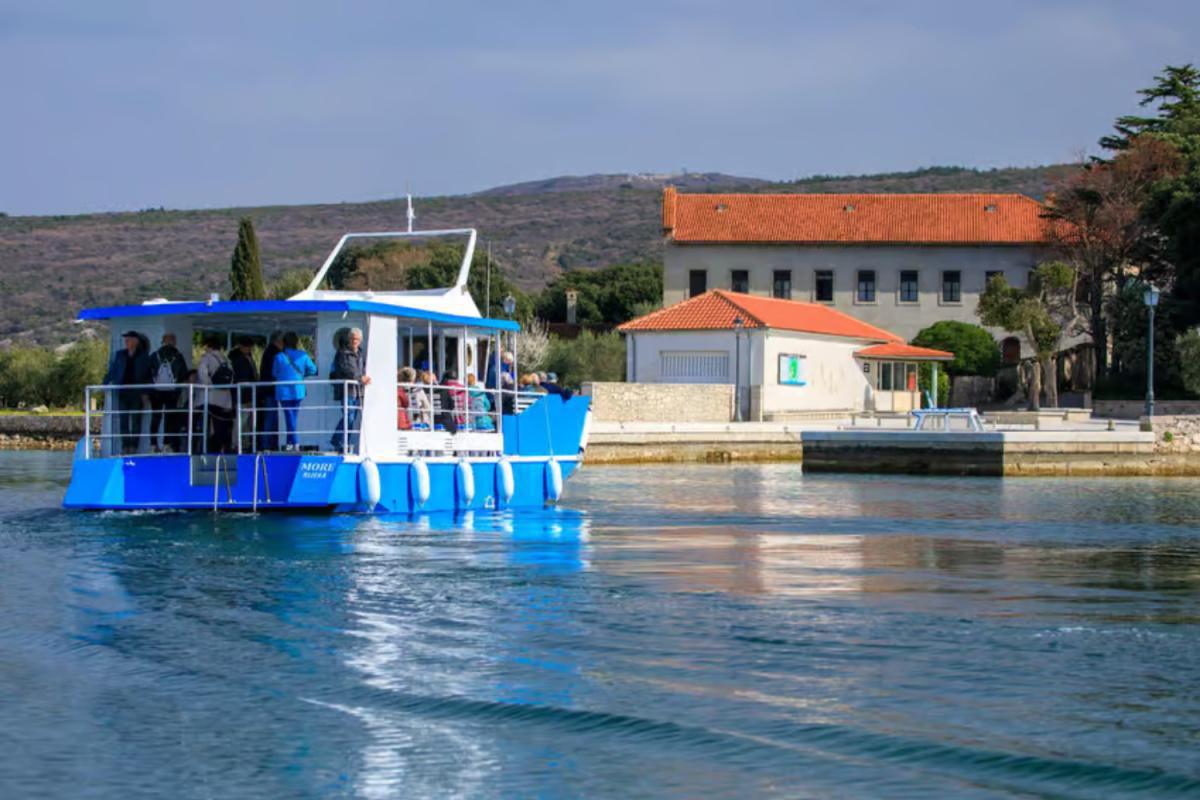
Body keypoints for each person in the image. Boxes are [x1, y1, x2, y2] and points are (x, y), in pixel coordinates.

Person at [104, 330, 152, 454]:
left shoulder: (143, 356)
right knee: (123, 421)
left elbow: (147, 375)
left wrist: (145, 392)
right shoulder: (120, 355)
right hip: (123, 392)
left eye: (129, 339)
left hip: (137, 393)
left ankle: (134, 447)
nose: (126, 341)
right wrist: (104, 384)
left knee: (136, 421)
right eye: (126, 339)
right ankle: (125, 447)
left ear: (136, 341)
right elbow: (113, 371)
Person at [273, 331, 317, 450]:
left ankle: (293, 443)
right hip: (298, 390)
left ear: (284, 343)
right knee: (292, 416)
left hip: (283, 391)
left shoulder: (278, 357)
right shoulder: (302, 355)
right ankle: (291, 443)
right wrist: (302, 374)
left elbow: (274, 373)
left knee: (289, 416)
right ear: (296, 342)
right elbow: (313, 369)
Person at [329, 327, 371, 452]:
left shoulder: (360, 353)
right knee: (349, 417)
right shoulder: (342, 353)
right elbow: (345, 369)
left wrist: (365, 378)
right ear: (349, 339)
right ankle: (338, 440)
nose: (354, 341)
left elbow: (362, 368)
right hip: (347, 390)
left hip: (358, 391)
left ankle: (342, 441)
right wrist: (360, 378)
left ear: (360, 340)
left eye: (357, 339)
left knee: (353, 417)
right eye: (353, 338)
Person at [147, 332, 187, 453]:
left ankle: (153, 445)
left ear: (162, 342)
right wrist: (179, 391)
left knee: (156, 417)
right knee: (169, 418)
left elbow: (148, 372)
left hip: (156, 392)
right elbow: (183, 374)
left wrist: (149, 390)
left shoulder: (155, 355)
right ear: (174, 342)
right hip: (171, 392)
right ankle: (166, 444)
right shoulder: (178, 356)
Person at [197, 334, 234, 454]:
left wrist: (210, 386)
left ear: (209, 346)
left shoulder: (206, 358)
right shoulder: (226, 360)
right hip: (225, 400)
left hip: (210, 399)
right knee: (222, 426)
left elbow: (202, 375)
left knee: (207, 427)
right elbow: (232, 379)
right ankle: (223, 447)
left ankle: (207, 449)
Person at [228, 336, 259, 451]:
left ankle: (244, 443)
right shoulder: (239, 359)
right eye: (248, 347)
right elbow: (242, 379)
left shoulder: (243, 357)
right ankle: (237, 444)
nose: (249, 349)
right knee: (241, 421)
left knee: (245, 422)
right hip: (243, 395)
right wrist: (245, 398)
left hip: (246, 394)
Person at [257, 331, 283, 451]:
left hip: (269, 389)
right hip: (271, 390)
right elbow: (275, 371)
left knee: (271, 417)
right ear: (278, 341)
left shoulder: (269, 352)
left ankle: (269, 443)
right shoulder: (275, 353)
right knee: (270, 417)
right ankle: (267, 444)